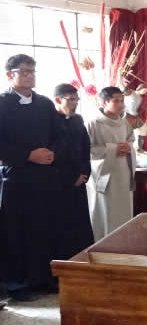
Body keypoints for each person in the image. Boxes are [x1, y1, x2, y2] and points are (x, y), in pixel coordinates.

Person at [0, 54, 61, 302]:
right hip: (16, 178)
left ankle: (43, 278)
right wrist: (28, 155)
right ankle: (18, 283)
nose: (29, 76)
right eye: (24, 72)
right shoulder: (2, 104)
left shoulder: (45, 104)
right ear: (10, 75)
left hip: (45, 177)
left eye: (32, 71)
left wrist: (51, 153)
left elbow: (58, 135)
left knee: (44, 228)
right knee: (17, 231)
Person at [86, 86, 136, 241]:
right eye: (116, 101)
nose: (121, 104)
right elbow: (87, 149)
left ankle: (124, 242)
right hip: (104, 174)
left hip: (123, 172)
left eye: (122, 100)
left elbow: (131, 140)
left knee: (123, 210)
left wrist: (128, 147)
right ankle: (104, 243)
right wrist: (113, 149)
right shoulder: (94, 123)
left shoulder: (124, 123)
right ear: (104, 102)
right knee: (106, 211)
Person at [52, 83, 94, 260]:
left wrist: (84, 174)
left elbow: (86, 148)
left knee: (80, 225)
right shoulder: (50, 122)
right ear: (58, 100)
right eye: (71, 99)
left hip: (79, 180)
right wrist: (70, 178)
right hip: (59, 183)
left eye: (77, 99)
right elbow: (54, 155)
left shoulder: (78, 120)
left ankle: (82, 261)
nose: (75, 103)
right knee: (62, 226)